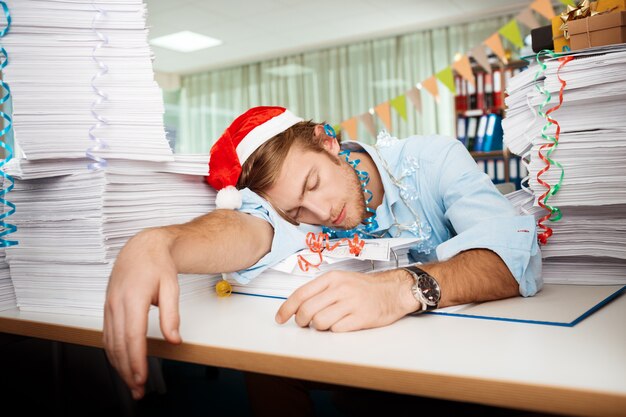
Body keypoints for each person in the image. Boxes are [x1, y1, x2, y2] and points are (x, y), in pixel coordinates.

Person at [103, 106, 541, 401]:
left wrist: (395, 289)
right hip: (361, 385)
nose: (320, 213)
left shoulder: (434, 158)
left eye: (312, 184)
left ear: (327, 141)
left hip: (475, 379)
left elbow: (508, 258)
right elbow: (245, 230)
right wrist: (160, 242)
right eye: (296, 209)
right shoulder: (289, 209)